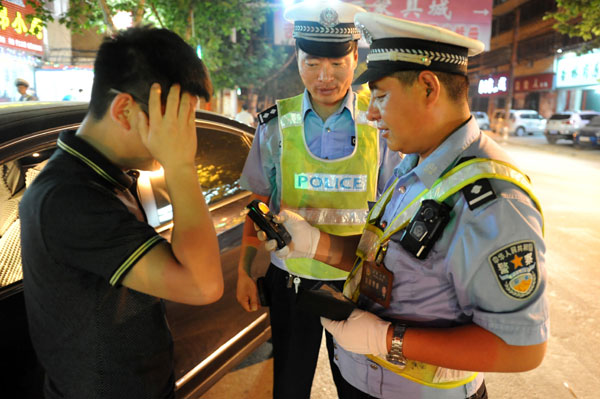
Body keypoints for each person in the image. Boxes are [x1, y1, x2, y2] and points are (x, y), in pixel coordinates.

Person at [260, 12, 549, 399]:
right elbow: (388, 262)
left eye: (380, 96)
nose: (373, 113)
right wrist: (314, 244)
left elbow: (523, 348)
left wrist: (387, 338)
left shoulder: (493, 200)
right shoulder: (414, 166)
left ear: (428, 87)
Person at [19, 26, 223, 399]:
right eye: (178, 119)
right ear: (125, 110)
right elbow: (203, 285)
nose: (185, 134)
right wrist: (180, 166)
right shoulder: (70, 199)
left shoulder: (104, 175)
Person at [235, 2, 402, 398]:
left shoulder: (380, 121)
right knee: (289, 387)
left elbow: (399, 206)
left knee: (361, 389)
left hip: (357, 286)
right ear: (297, 58)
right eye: (312, 63)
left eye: (337, 63)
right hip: (291, 284)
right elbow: (258, 203)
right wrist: (245, 269)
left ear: (355, 58)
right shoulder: (275, 125)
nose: (324, 77)